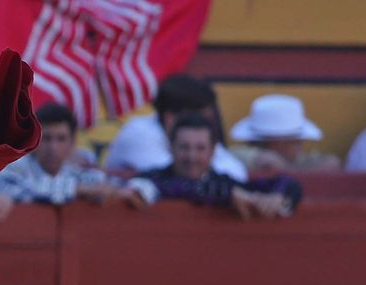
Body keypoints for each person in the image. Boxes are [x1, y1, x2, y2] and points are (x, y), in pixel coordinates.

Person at [0, 102, 142, 218]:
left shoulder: (82, 169)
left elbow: (102, 188)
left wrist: (118, 193)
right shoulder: (12, 166)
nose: (53, 147)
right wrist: (79, 190)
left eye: (61, 139)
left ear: (72, 143)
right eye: (47, 139)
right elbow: (18, 190)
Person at [128, 113, 301, 220]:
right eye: (184, 147)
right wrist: (227, 196)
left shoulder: (225, 183)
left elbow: (288, 183)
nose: (192, 156)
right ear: (171, 148)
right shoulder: (153, 179)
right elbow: (174, 187)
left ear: (213, 152)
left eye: (200, 148)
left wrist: (278, 196)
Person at [104, 73, 247, 181]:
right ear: (170, 118)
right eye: (200, 117)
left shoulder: (197, 133)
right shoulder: (138, 133)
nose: (203, 123)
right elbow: (181, 176)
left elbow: (236, 172)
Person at [228, 94, 339, 173]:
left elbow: (332, 162)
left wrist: (289, 170)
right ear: (276, 142)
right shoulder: (238, 154)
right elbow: (268, 162)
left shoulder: (295, 159)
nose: (301, 145)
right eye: (295, 142)